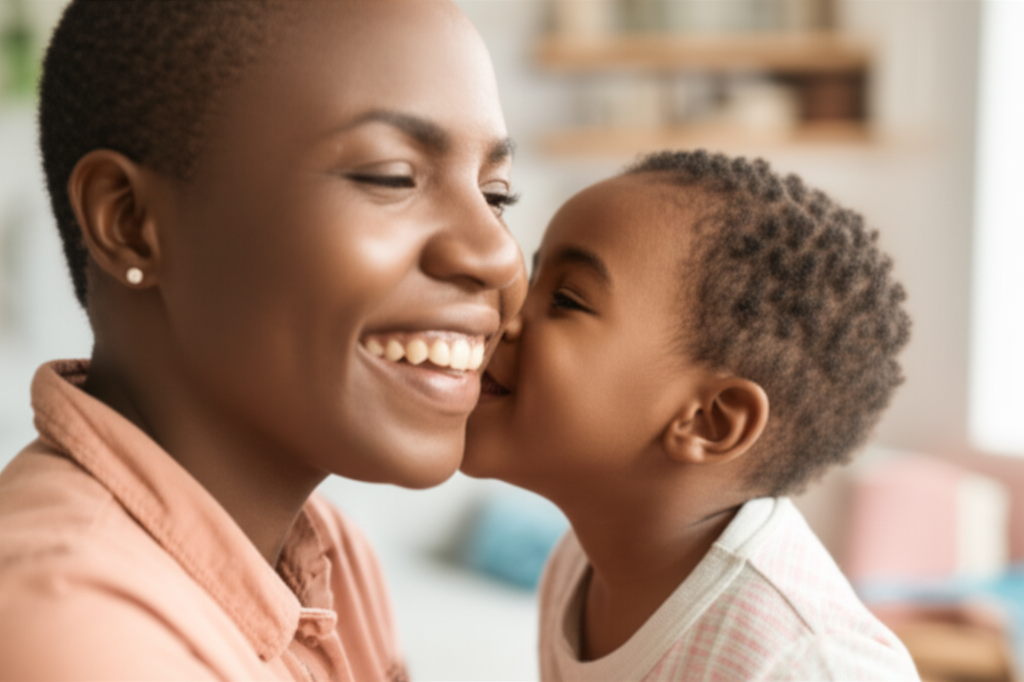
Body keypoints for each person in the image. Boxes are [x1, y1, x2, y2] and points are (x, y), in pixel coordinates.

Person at [0, 1, 525, 679]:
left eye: (497, 195)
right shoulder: (72, 626)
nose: (498, 255)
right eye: (391, 177)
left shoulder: (331, 556)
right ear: (129, 221)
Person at [464, 150, 919, 681]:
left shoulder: (809, 665)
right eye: (533, 278)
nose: (505, 309)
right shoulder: (578, 567)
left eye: (565, 298)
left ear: (709, 421)